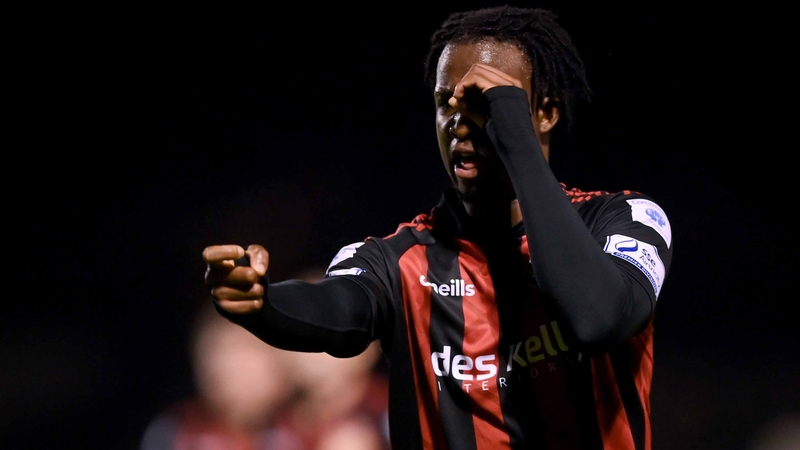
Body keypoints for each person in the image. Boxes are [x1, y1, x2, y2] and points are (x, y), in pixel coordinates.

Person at [203, 5, 673, 450]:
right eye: (446, 104)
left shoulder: (624, 220)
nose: (459, 124)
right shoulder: (396, 261)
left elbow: (598, 320)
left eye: (483, 105)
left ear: (544, 114)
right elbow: (337, 307)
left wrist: (513, 133)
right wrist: (263, 304)